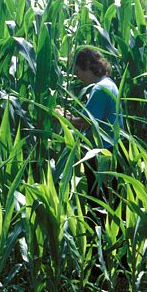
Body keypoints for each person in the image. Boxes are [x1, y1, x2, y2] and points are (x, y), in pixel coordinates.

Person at [59, 47, 123, 199]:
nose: (77, 76)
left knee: (98, 198)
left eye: (78, 71)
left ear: (87, 66)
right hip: (113, 149)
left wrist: (62, 117)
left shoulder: (100, 89)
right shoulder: (109, 84)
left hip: (103, 153)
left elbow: (85, 123)